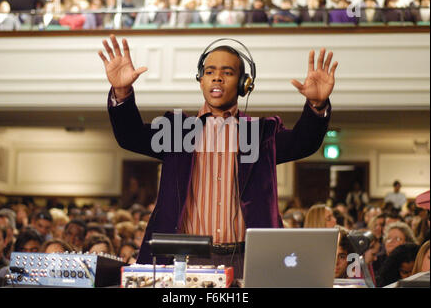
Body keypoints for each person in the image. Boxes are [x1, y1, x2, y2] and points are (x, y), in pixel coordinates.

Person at [99, 34, 337, 278]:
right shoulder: (177, 130)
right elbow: (131, 136)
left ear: (245, 84)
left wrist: (316, 107)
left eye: (228, 72)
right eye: (210, 71)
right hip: (186, 260)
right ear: (200, 80)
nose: (217, 77)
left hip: (249, 258)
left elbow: (303, 143)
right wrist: (122, 91)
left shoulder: (261, 133)